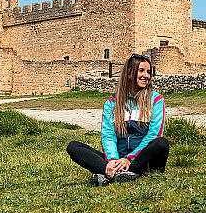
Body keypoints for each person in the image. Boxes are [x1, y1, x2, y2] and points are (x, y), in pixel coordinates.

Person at [67, 53, 169, 186]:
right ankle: (118, 172)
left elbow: (154, 135)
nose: (146, 75)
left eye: (149, 72)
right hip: (118, 159)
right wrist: (112, 159)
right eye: (141, 71)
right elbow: (108, 135)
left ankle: (111, 174)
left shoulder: (156, 100)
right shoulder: (112, 102)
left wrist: (129, 159)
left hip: (142, 159)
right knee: (73, 147)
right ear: (129, 73)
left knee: (161, 143)